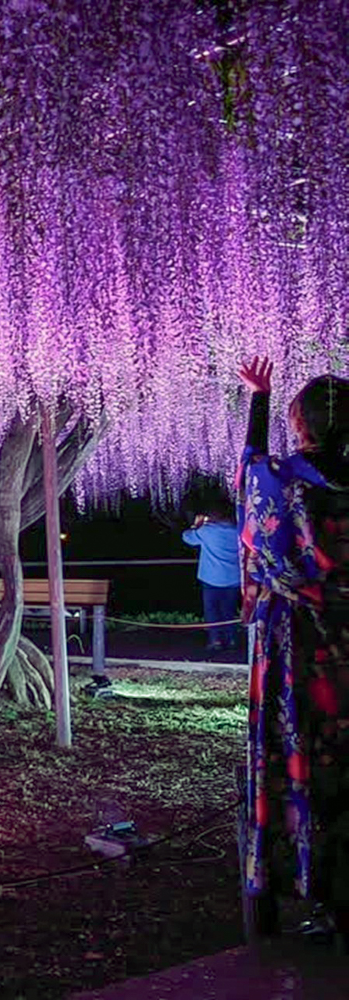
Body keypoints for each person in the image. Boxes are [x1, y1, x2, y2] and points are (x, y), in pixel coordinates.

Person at [237, 355, 349, 942]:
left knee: (295, 748)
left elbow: (249, 474)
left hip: (295, 643)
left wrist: (258, 400)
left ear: (299, 423)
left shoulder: (279, 482)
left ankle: (302, 880)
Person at [182, 500, 241, 652]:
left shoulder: (207, 531)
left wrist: (196, 525)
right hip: (234, 578)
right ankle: (231, 639)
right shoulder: (238, 531)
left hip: (212, 578)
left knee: (212, 610)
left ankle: (215, 641)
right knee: (230, 610)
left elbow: (187, 538)